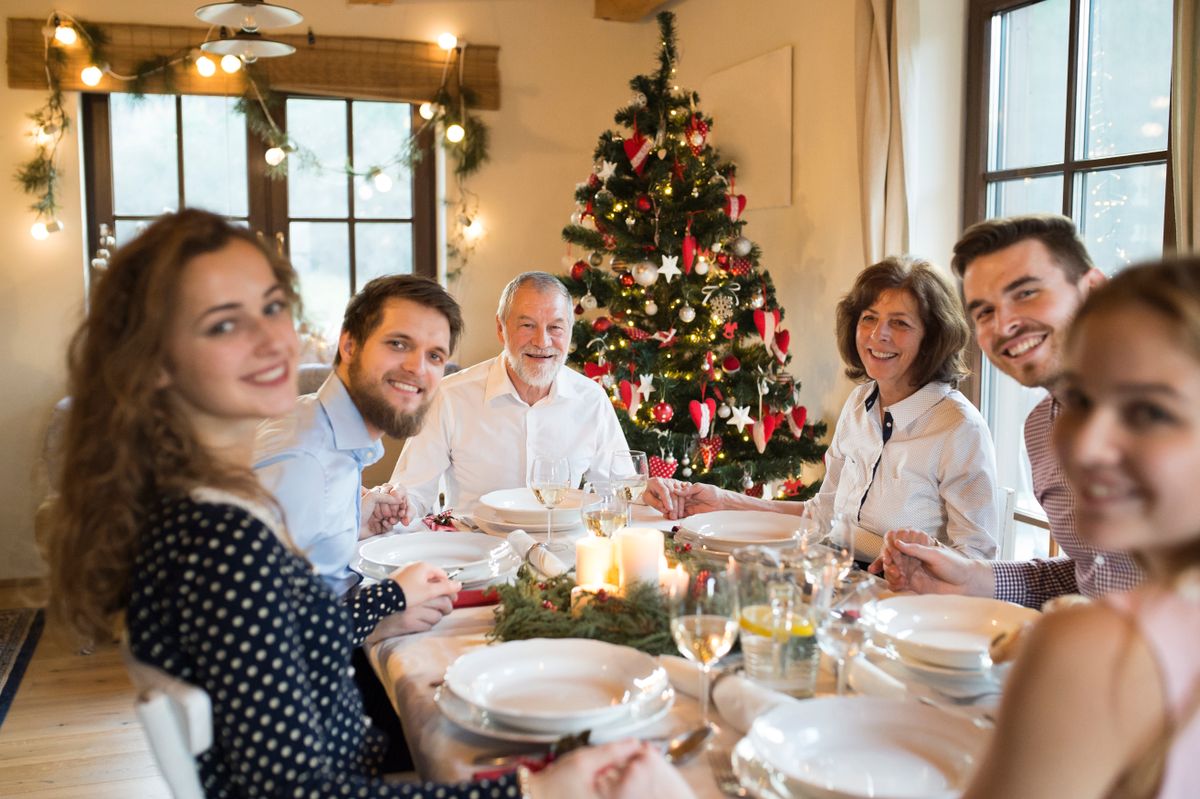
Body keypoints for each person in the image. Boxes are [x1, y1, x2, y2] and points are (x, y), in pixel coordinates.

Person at [44, 210, 686, 798]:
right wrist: (535, 792)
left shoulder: (215, 501)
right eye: (224, 323)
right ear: (152, 358)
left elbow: (295, 638)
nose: (274, 341)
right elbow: (300, 793)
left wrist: (386, 599)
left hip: (358, 748)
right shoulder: (224, 534)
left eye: (273, 310)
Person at [960, 255, 1200, 799]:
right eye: (1081, 399)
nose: (1086, 446)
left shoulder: (1095, 652)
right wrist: (980, 578)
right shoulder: (1036, 429)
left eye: (1149, 413)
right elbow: (1091, 572)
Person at [647, 256, 999, 562]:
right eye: (869, 318)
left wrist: (915, 561)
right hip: (834, 577)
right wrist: (723, 501)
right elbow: (823, 515)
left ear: (933, 337)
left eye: (900, 323)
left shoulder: (958, 428)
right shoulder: (860, 402)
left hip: (906, 606)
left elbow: (975, 561)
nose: (879, 335)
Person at [254, 275, 466, 771]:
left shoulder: (318, 429)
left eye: (436, 355)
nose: (419, 369)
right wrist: (376, 615)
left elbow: (304, 572)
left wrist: (355, 518)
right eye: (399, 344)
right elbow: (262, 644)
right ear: (348, 344)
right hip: (310, 727)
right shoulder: (303, 462)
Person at [877, 214, 1143, 607]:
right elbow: (1099, 572)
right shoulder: (1042, 429)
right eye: (984, 311)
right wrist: (970, 578)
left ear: (1094, 291)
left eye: (1026, 293)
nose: (1005, 324)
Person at [391, 271, 629, 519]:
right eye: (527, 325)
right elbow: (411, 494)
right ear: (501, 329)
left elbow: (619, 493)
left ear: (570, 331)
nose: (542, 341)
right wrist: (396, 505)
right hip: (475, 551)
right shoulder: (449, 396)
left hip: (563, 552)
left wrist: (651, 494)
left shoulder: (592, 399)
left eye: (555, 327)